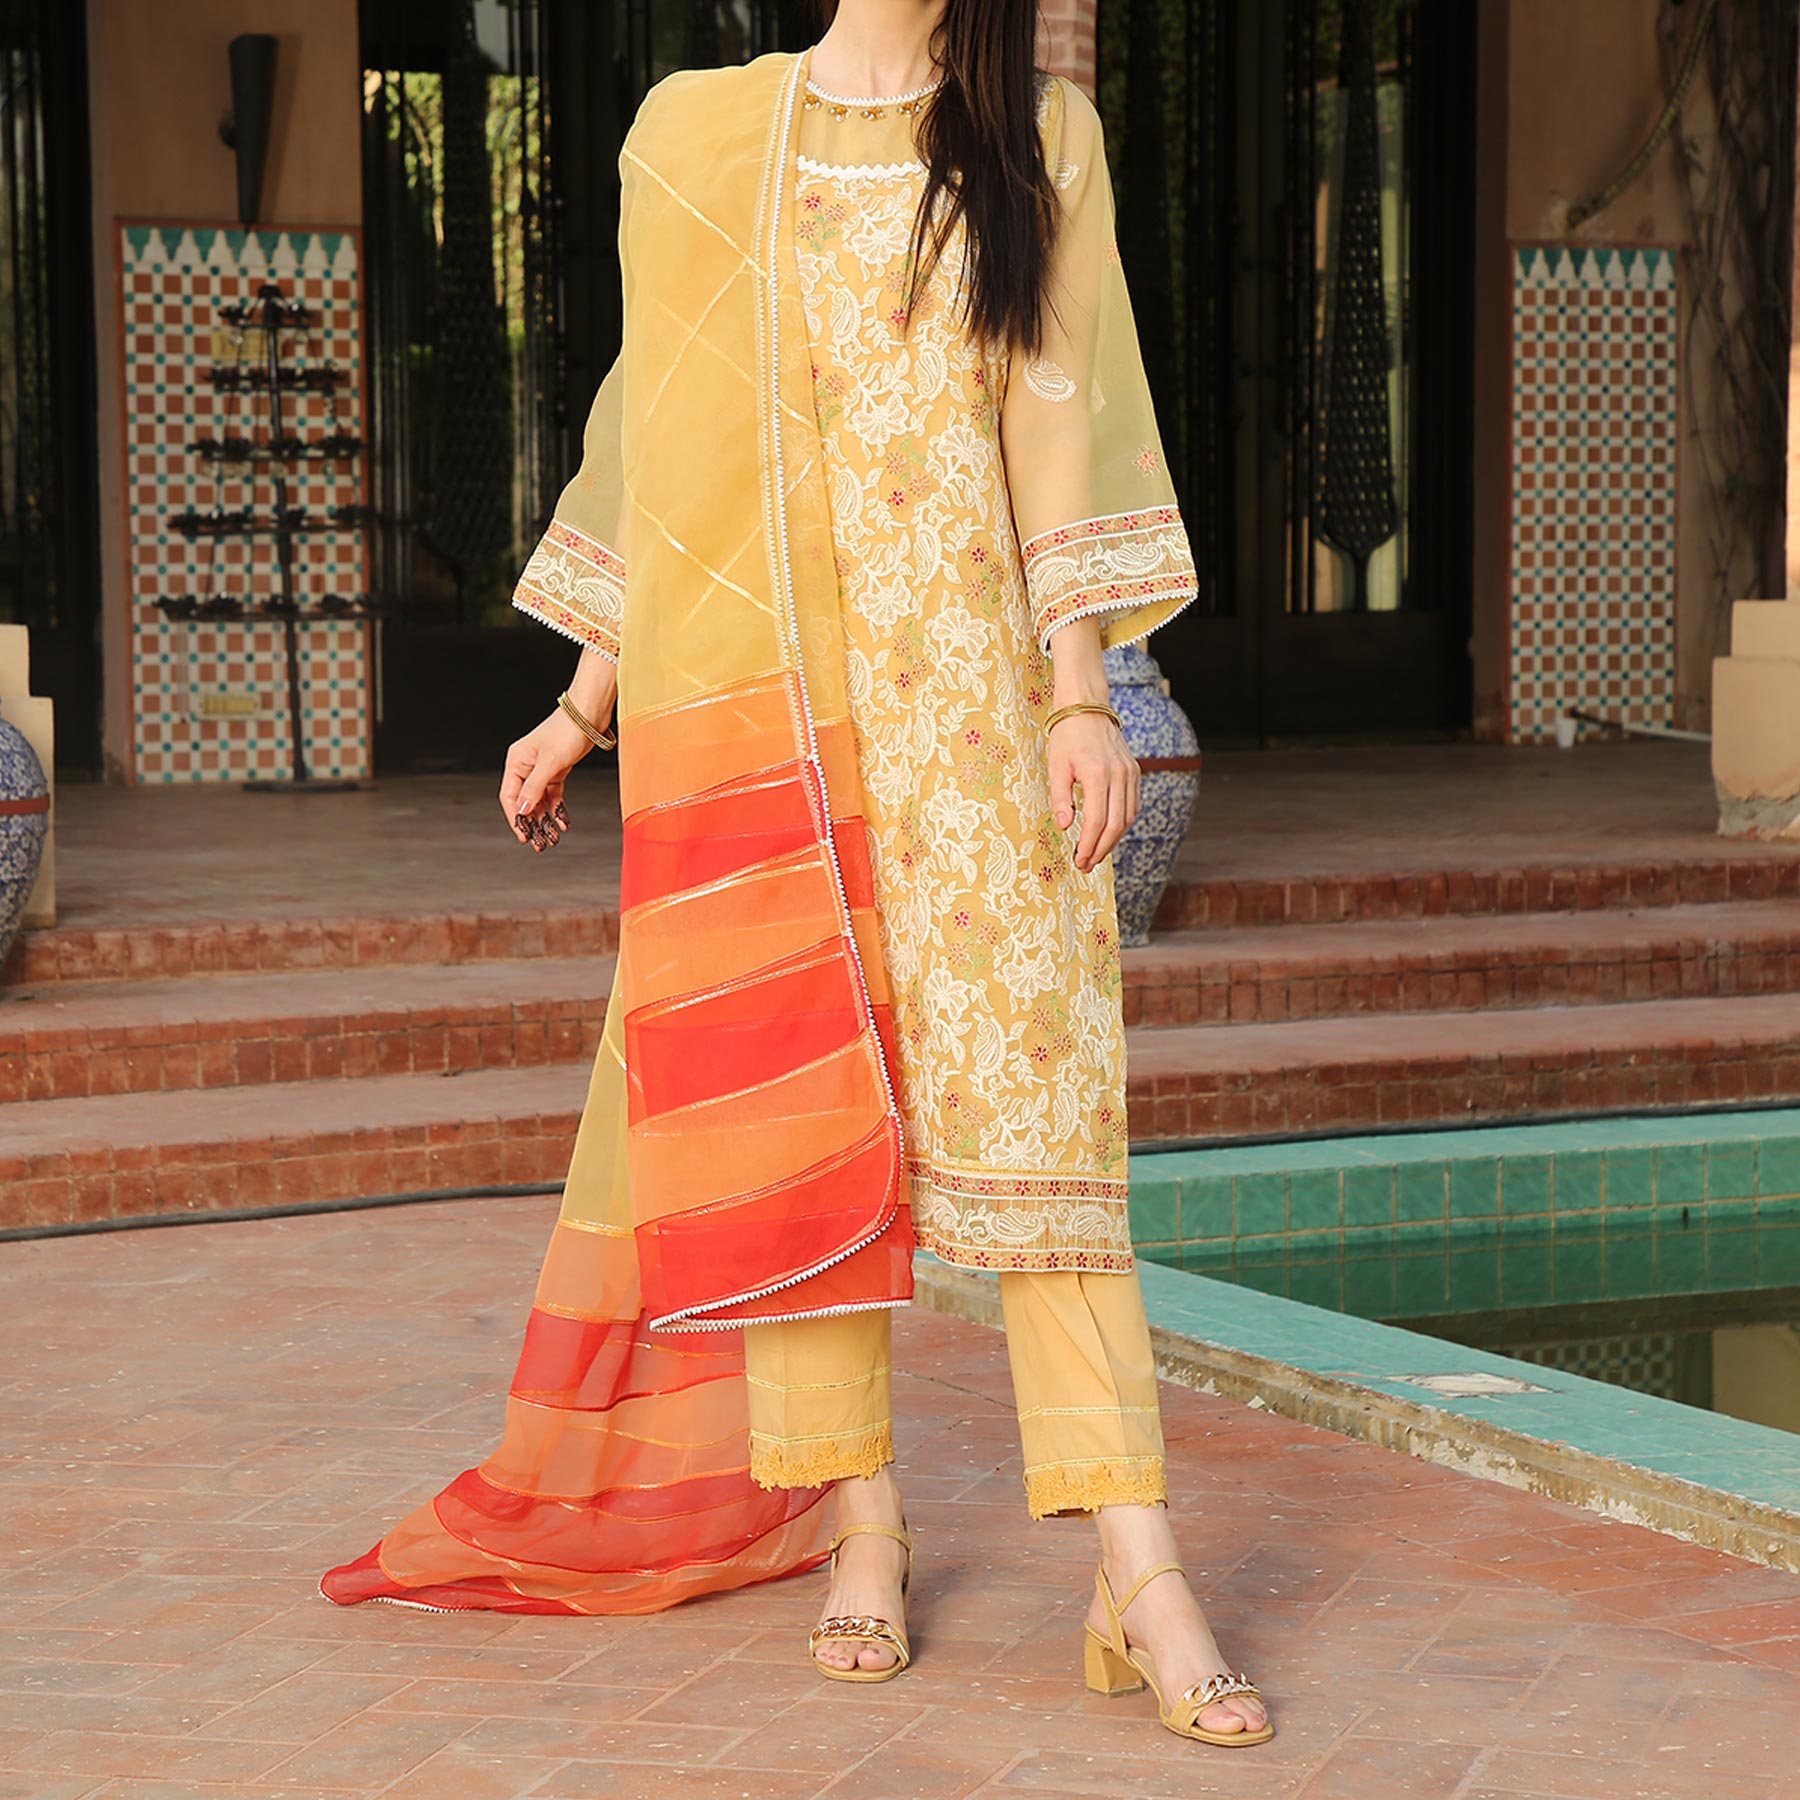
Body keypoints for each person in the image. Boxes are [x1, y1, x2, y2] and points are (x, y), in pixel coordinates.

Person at [321, 0, 1271, 1750]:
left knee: (1051, 1144)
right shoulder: (702, 136)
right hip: (779, 735)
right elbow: (661, 439)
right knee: (800, 1133)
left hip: (983, 731)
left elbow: (1055, 416)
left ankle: (1139, 1570)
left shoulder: (1038, 133)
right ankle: (864, 1526)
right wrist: (584, 702)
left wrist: (1082, 692)